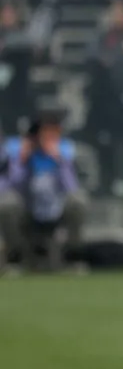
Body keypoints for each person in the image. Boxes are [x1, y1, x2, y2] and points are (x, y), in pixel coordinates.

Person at [0, 109, 88, 266]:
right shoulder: (18, 154)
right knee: (7, 203)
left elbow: (71, 187)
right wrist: (22, 161)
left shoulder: (63, 154)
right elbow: (8, 186)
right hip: (29, 211)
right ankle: (15, 257)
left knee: (78, 201)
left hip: (56, 210)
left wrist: (58, 160)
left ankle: (74, 256)